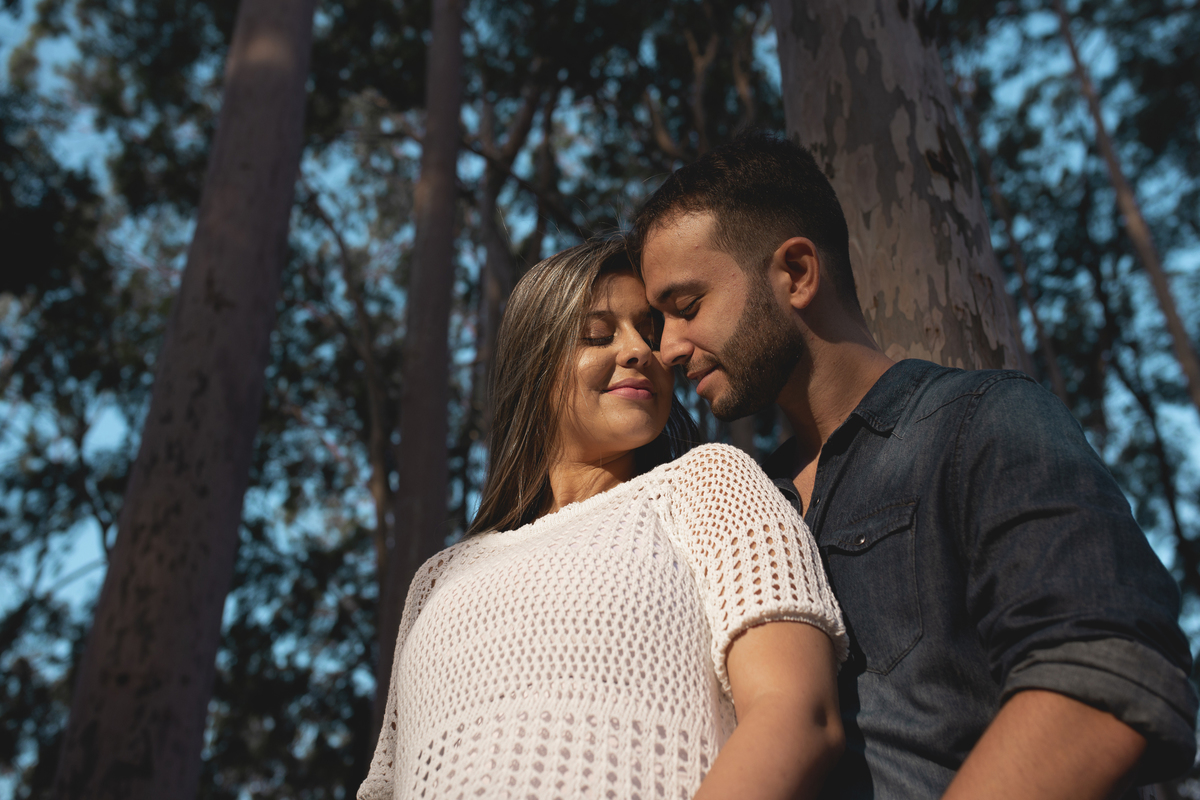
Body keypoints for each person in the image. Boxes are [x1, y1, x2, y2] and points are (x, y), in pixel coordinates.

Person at [630, 131, 1198, 800]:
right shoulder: (738, 505)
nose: (667, 349)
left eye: (687, 307)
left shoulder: (982, 423)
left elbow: (1106, 679)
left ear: (798, 273)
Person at [359, 239, 848, 800]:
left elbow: (797, 714)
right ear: (535, 364)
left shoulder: (709, 485)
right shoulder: (435, 580)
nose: (640, 351)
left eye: (650, 332)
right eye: (597, 334)